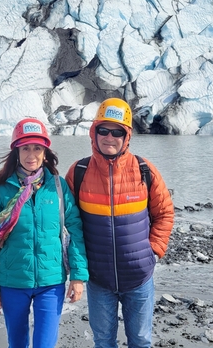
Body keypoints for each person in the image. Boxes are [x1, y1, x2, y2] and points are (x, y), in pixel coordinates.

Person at [65, 98, 174, 348]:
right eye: (103, 130)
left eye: (117, 132)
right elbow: (67, 222)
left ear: (127, 136)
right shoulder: (78, 172)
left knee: (141, 341)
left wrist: (153, 252)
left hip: (139, 277)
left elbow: (165, 213)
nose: (109, 137)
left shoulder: (144, 170)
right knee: (103, 342)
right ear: (94, 133)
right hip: (99, 279)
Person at [0, 117, 89, 348]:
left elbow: (76, 232)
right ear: (16, 151)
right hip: (12, 283)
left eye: (37, 148)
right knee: (17, 344)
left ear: (45, 152)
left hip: (51, 282)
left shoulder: (58, 187)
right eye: (26, 148)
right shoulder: (2, 190)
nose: (32, 154)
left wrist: (78, 277)